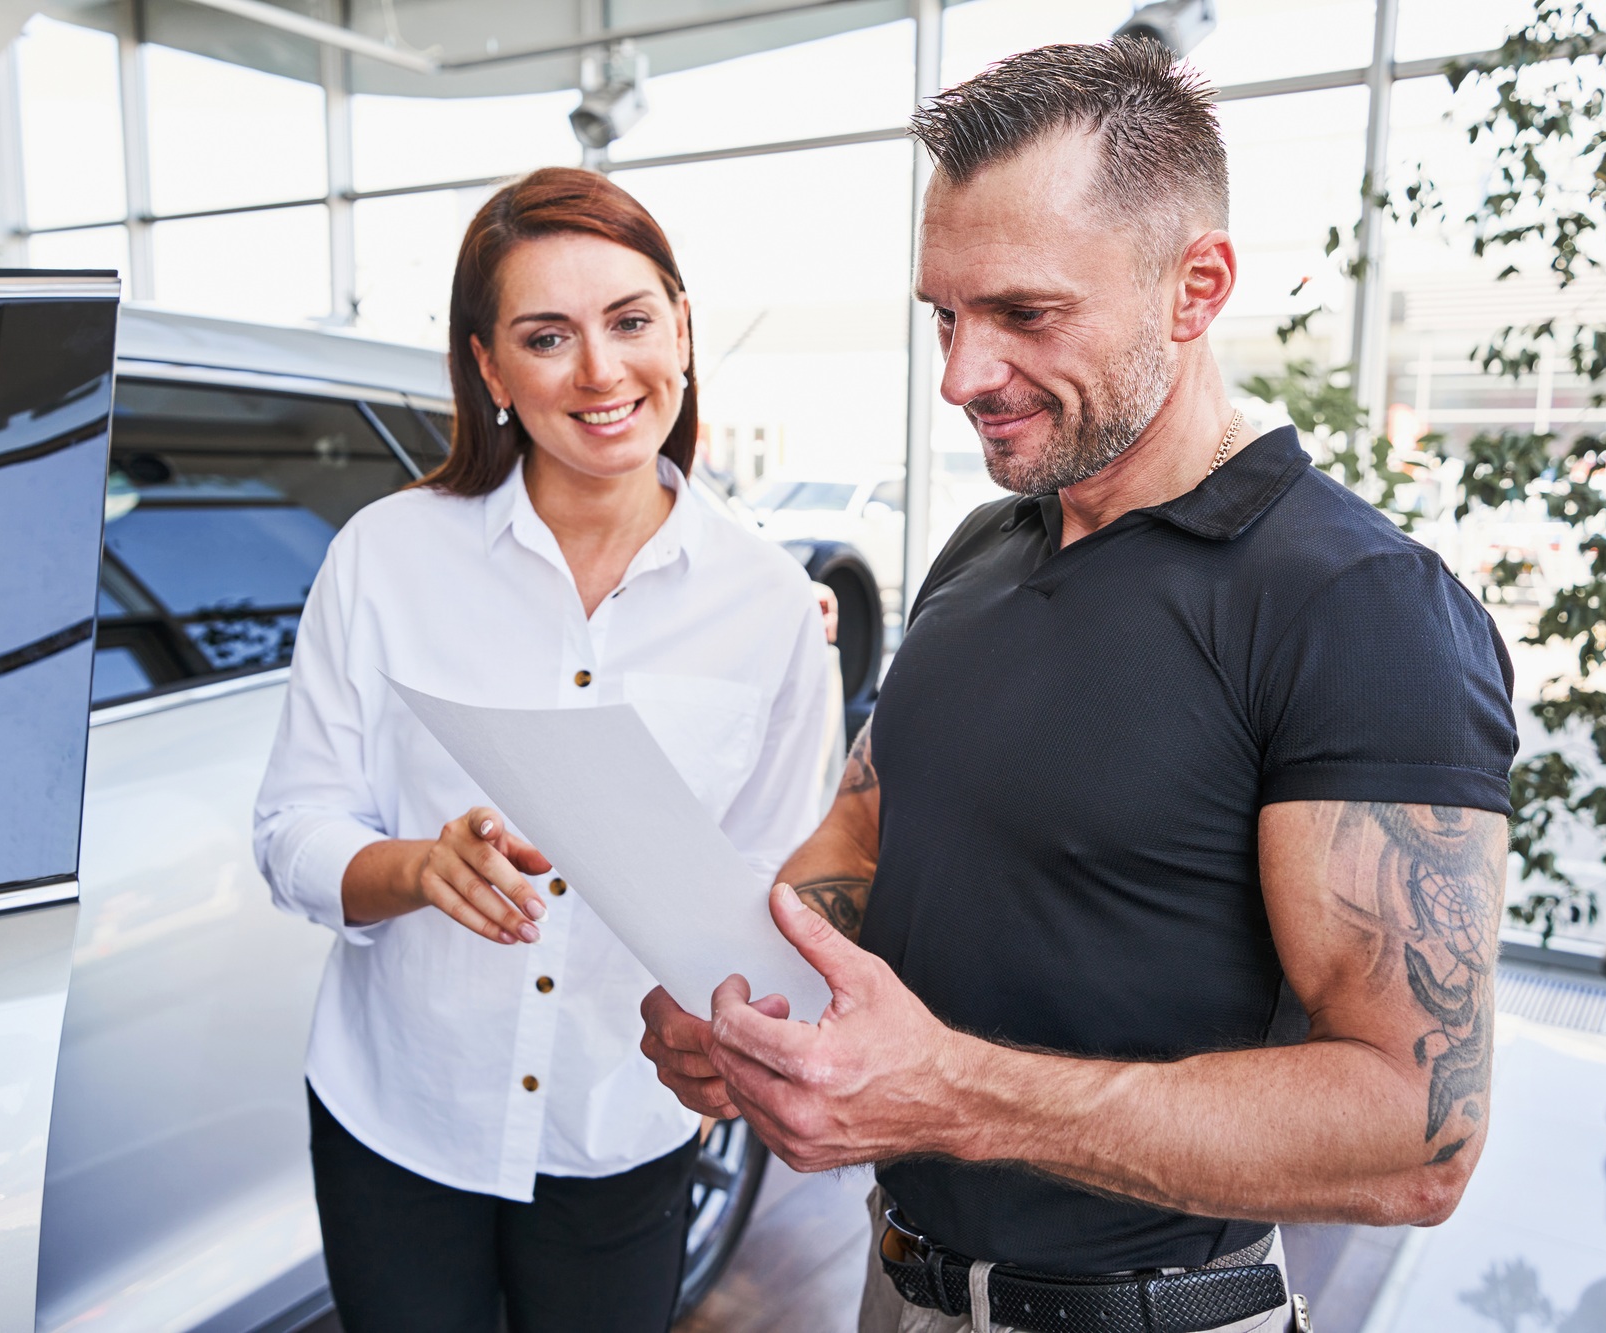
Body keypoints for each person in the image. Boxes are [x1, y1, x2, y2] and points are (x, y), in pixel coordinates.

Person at [641, 40, 1519, 1333]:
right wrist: (740, 999)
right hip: (903, 1288)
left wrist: (954, 1093)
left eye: (1025, 315)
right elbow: (869, 834)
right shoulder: (985, 547)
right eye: (946, 314)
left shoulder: (1359, 609)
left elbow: (1418, 1135)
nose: (960, 375)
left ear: (1195, 287)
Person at [253, 166, 835, 1333]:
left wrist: (751, 1036)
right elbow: (290, 833)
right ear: (488, 368)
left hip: (619, 1120)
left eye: (629, 321)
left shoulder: (770, 604)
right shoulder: (385, 556)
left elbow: (779, 891)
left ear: (680, 323)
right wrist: (417, 867)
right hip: (398, 1109)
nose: (601, 372)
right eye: (546, 336)